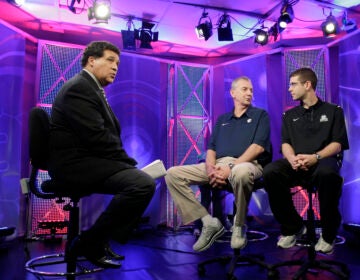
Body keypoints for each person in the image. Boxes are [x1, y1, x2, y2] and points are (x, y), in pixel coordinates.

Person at [48, 41, 156, 268]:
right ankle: (91, 242)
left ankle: (99, 240)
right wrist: (126, 163)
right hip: (74, 166)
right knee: (141, 184)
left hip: (87, 162)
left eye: (117, 63)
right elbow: (96, 137)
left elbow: (102, 136)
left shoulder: (92, 89)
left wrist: (125, 163)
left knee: (139, 181)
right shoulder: (79, 88)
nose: (115, 67)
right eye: (110, 60)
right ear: (91, 60)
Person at [165, 76, 271, 252]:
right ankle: (208, 222)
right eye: (245, 89)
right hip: (218, 165)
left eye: (251, 90)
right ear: (233, 93)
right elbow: (211, 149)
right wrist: (211, 170)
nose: (249, 93)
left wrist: (229, 168)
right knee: (172, 174)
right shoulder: (222, 120)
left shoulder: (260, 115)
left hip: (248, 163)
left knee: (241, 171)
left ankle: (238, 226)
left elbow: (258, 147)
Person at [263, 67, 349, 255]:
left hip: (322, 161)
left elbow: (337, 144)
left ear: (307, 85)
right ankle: (293, 226)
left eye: (293, 84)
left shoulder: (334, 111)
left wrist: (315, 157)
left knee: (327, 174)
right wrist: (292, 159)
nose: (289, 89)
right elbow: (285, 143)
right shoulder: (289, 115)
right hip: (297, 163)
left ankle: (328, 234)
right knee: (270, 172)